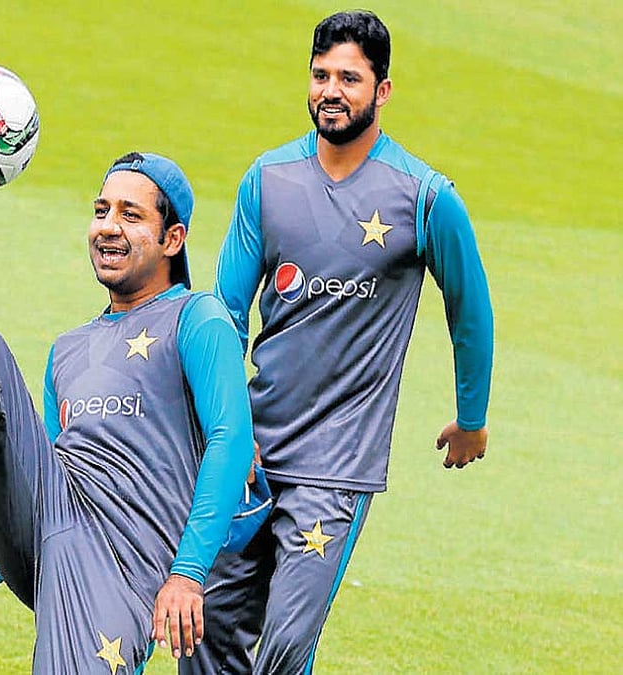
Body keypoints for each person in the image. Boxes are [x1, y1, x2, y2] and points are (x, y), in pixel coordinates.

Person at [0, 152, 256, 672]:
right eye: (101, 211)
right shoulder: (68, 350)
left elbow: (231, 440)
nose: (108, 227)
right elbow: (41, 486)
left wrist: (188, 573)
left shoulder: (197, 319)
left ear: (172, 239)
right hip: (51, 533)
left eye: (130, 215)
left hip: (120, 570)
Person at [180, 10, 494, 674]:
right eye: (320, 75)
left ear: (383, 90)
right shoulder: (268, 179)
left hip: (337, 467)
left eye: (349, 78)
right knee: (206, 626)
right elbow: (224, 315)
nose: (331, 91)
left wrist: (471, 418)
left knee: (287, 645)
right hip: (252, 452)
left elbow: (469, 311)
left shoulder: (424, 197)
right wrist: (228, 428)